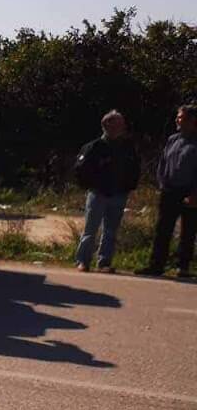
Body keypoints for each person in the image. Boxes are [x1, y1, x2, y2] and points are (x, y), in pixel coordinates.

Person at [72, 110, 139, 273]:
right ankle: (83, 261)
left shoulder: (127, 147)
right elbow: (80, 169)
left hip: (119, 194)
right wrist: (91, 186)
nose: (122, 126)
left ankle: (104, 262)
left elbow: (135, 167)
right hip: (98, 194)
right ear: (107, 124)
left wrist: (129, 186)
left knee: (111, 231)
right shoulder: (94, 146)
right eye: (118, 122)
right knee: (90, 229)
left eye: (122, 123)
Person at [137, 104, 197, 279]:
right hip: (169, 191)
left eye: (182, 118)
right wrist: (162, 183)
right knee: (163, 229)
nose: (178, 120)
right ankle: (156, 265)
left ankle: (182, 267)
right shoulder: (173, 139)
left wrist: (195, 193)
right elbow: (163, 163)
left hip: (190, 192)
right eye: (178, 117)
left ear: (193, 121)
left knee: (188, 231)